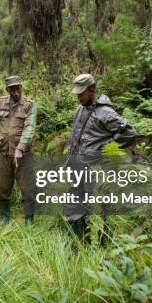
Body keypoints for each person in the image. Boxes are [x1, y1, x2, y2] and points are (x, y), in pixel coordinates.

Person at [63, 73, 137, 242]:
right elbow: (75, 139)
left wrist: (106, 149)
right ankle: (78, 242)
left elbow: (130, 133)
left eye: (81, 93)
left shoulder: (105, 113)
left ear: (92, 89)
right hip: (78, 170)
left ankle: (102, 244)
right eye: (77, 94)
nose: (79, 97)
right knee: (74, 206)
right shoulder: (79, 110)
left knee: (97, 209)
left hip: (95, 171)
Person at [0, 75, 37, 225]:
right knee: (3, 187)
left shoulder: (29, 105)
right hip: (3, 153)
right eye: (12, 89)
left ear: (21, 87)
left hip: (23, 155)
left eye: (17, 88)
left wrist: (20, 148)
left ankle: (28, 219)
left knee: (27, 188)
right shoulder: (0, 103)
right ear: (7, 90)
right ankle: (4, 216)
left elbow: (29, 128)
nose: (15, 92)